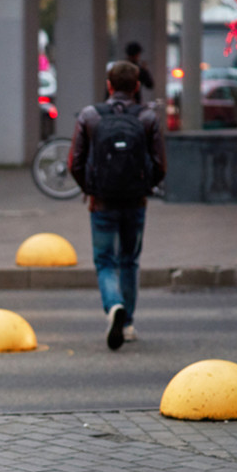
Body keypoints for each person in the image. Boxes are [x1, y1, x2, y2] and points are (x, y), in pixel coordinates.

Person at [68, 60, 166, 351]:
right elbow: (160, 164)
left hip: (102, 202)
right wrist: (146, 186)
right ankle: (128, 323)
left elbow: (74, 162)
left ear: (109, 86)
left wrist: (90, 189)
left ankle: (113, 305)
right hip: (135, 201)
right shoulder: (147, 117)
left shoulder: (90, 115)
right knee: (129, 260)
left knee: (105, 261)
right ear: (137, 87)